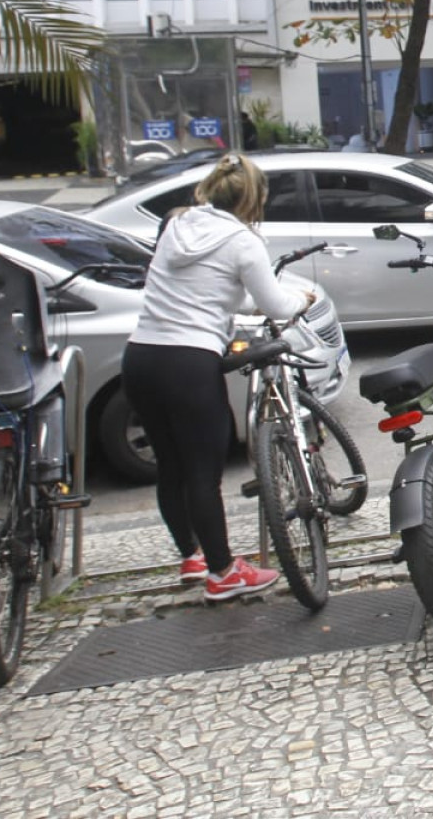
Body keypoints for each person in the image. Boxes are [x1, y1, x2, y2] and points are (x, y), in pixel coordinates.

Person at [122, 155, 312, 602]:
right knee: (203, 474)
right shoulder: (242, 242)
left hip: (141, 356)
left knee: (171, 467)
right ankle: (224, 572)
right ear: (254, 198)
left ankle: (193, 556)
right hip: (188, 364)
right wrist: (301, 299)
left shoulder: (178, 226)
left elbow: (202, 290)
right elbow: (277, 306)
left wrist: (238, 305)